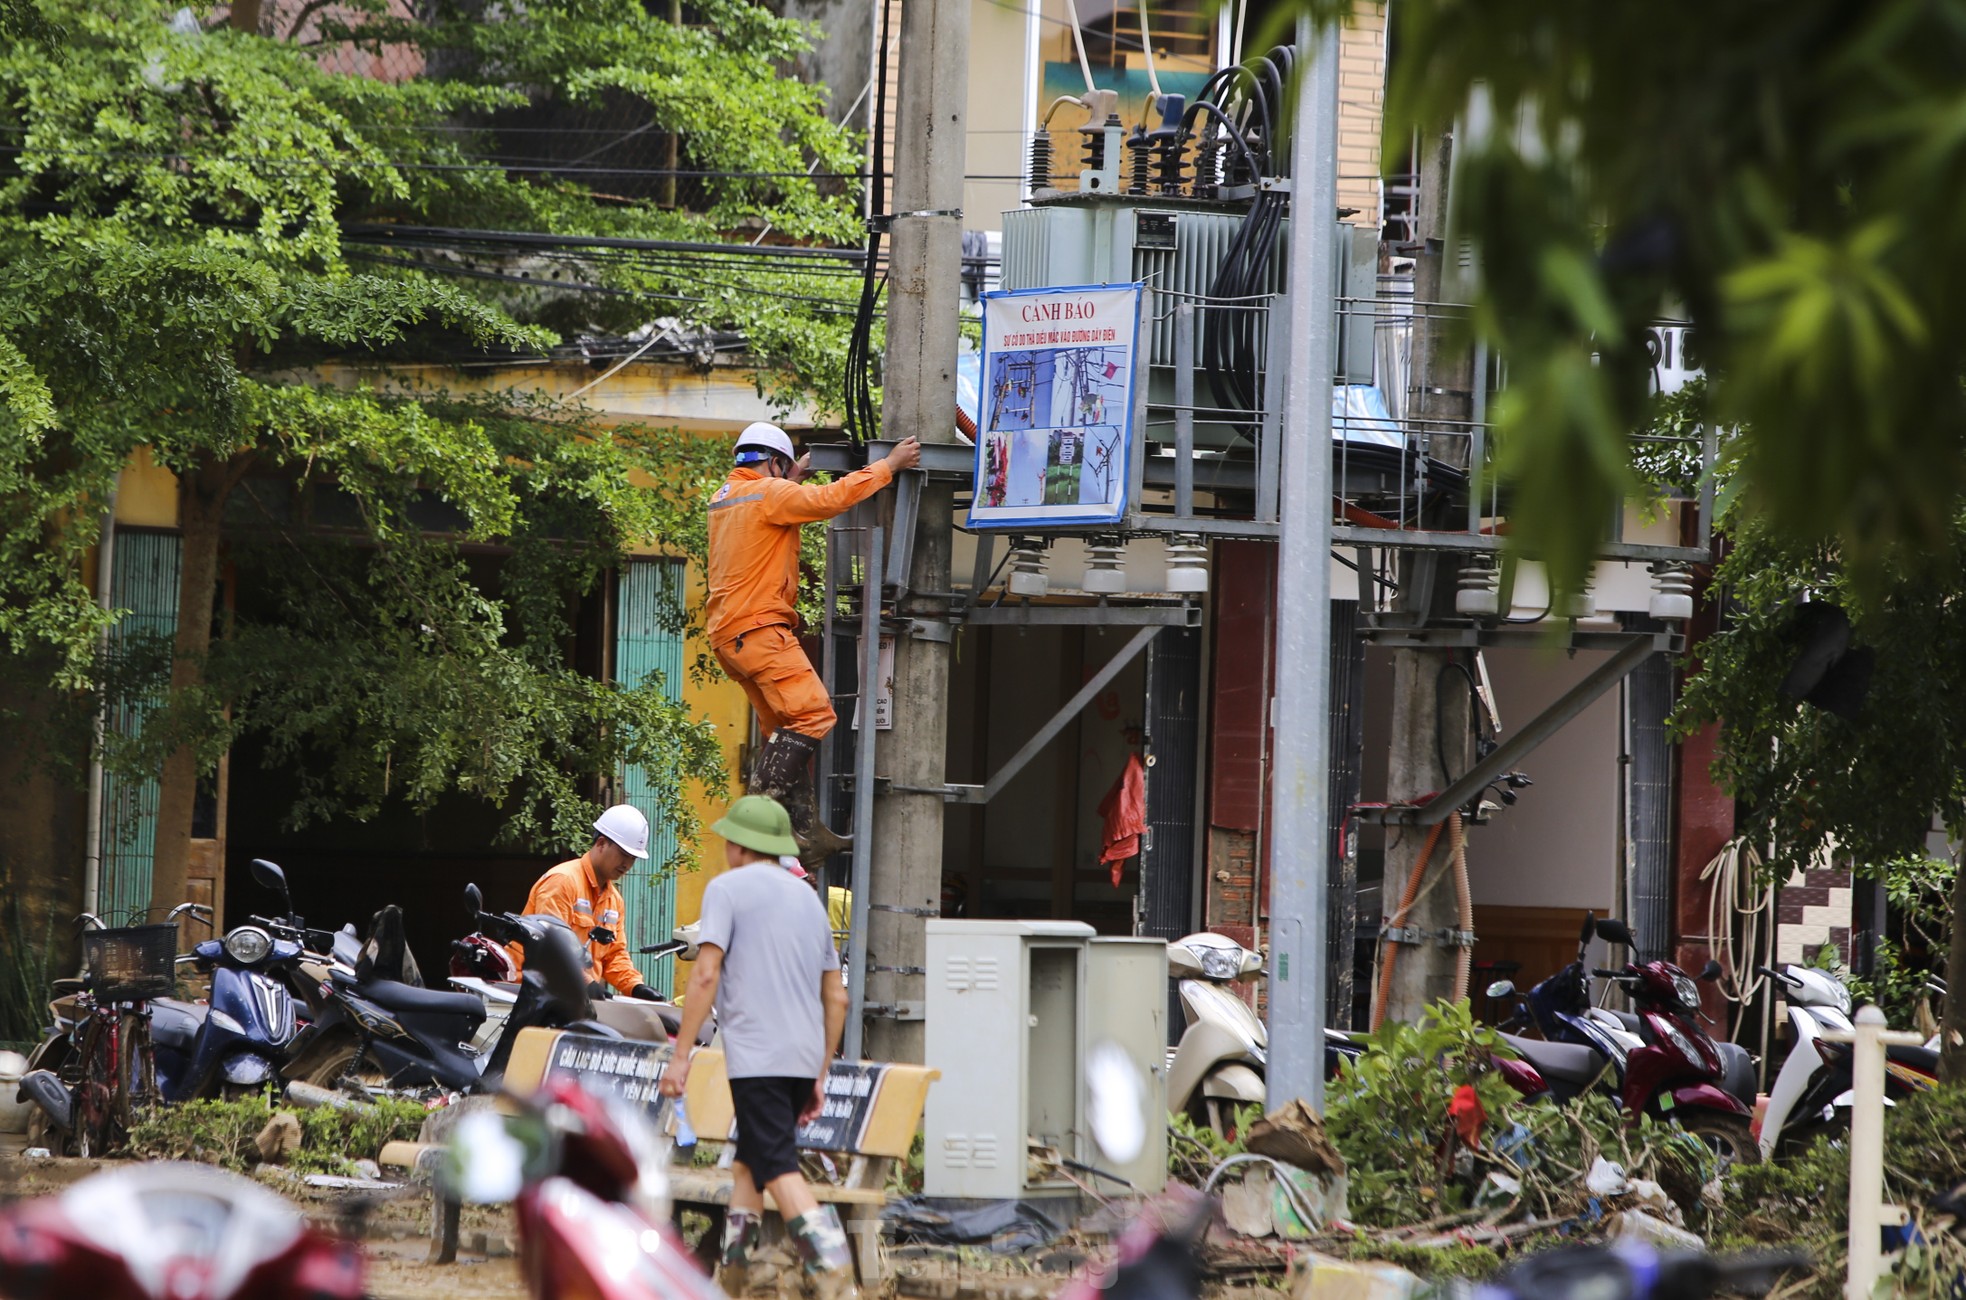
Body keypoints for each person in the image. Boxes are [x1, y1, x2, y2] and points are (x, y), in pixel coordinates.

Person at [660, 795, 855, 1300]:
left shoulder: (727, 890)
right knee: (751, 1161)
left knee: (778, 1166)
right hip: (801, 1056)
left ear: (741, 846)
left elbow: (705, 973)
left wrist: (680, 1056)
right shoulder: (809, 900)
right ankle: (735, 1276)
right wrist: (820, 1073)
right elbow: (837, 996)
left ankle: (834, 1273)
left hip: (757, 1058)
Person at [707, 421, 921, 868]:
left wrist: (790, 479)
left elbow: (771, 507)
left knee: (783, 731)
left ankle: (804, 835)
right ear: (774, 463)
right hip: (761, 629)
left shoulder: (727, 497)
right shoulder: (770, 494)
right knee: (812, 714)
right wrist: (889, 465)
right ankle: (756, 820)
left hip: (731, 638)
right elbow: (829, 501)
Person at [508, 803, 661, 1001]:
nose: (627, 864)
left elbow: (614, 956)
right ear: (601, 843)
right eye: (624, 854)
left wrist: (635, 987)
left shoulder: (614, 900)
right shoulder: (563, 881)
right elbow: (551, 948)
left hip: (572, 998)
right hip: (527, 993)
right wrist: (586, 983)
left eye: (633, 858)